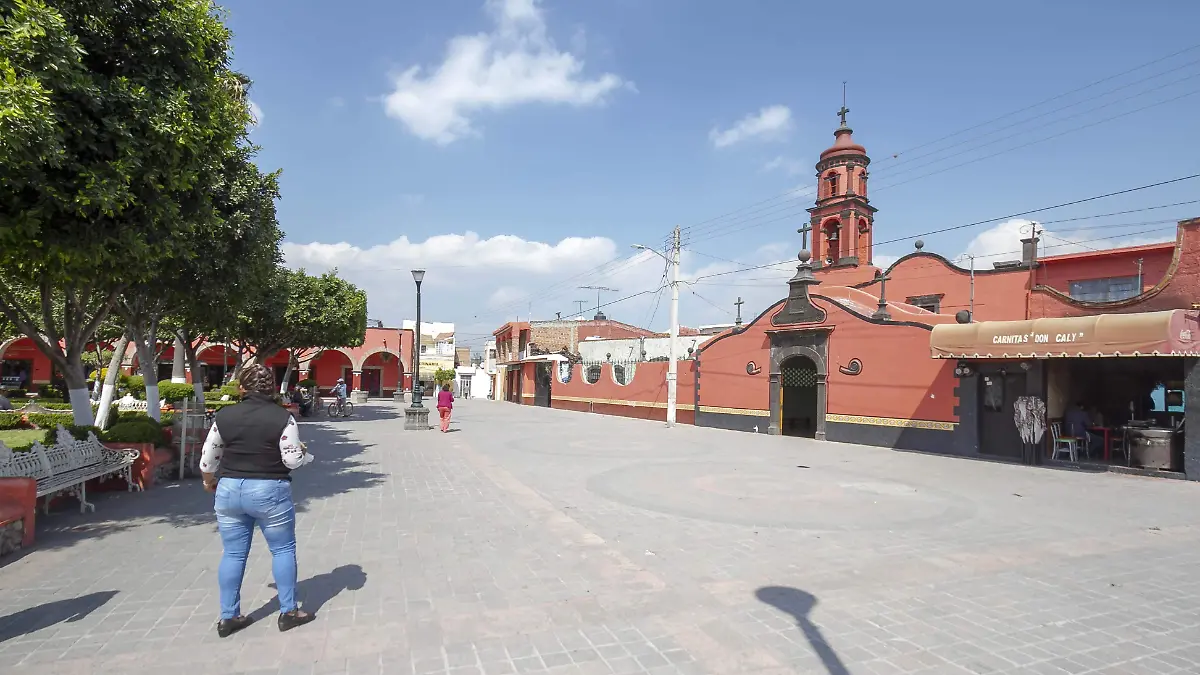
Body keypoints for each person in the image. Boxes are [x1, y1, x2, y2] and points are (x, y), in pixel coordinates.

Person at [199, 364, 317, 638]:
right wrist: (303, 452)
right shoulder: (282, 417)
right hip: (269, 489)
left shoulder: (224, 416)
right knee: (283, 550)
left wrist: (208, 482)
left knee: (233, 554)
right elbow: (291, 460)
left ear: (241, 387)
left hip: (228, 489)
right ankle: (288, 613)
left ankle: (228, 616)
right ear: (272, 388)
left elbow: (208, 457)